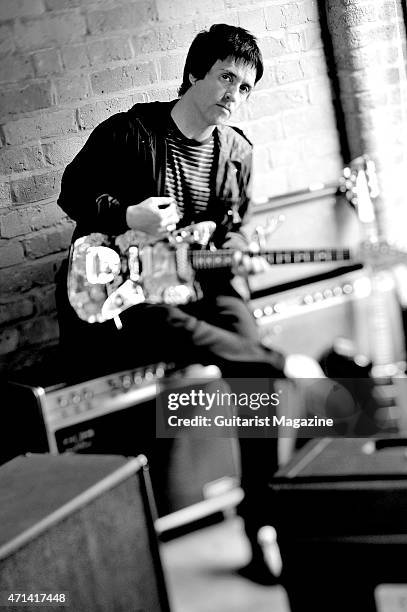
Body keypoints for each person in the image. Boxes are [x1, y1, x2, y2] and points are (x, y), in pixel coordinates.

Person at [57, 23, 323, 584]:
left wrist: (239, 252)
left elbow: (233, 232)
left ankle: (261, 525)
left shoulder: (237, 152)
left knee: (249, 359)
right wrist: (127, 215)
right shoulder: (129, 133)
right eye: (226, 76)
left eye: (246, 86)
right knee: (229, 349)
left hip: (200, 288)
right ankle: (284, 366)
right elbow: (72, 190)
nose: (234, 92)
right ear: (194, 74)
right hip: (131, 297)